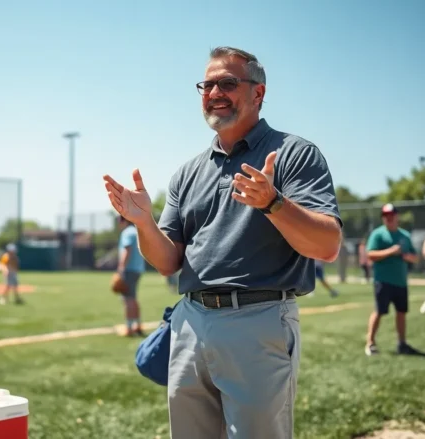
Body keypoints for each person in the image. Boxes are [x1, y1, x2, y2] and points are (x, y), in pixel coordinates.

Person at [103, 46, 342, 438]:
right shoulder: (188, 172)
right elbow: (167, 262)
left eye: (228, 83)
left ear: (258, 93)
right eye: (207, 85)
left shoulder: (294, 154)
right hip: (190, 320)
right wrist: (144, 222)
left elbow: (327, 245)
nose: (215, 92)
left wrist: (273, 202)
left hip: (258, 319)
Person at [364, 203, 419, 356]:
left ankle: (402, 343)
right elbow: (370, 255)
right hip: (383, 281)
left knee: (401, 312)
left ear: (397, 216)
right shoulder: (378, 234)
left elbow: (415, 257)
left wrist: (408, 257)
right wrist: (390, 251)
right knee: (379, 311)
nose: (389, 218)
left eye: (391, 215)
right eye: (386, 216)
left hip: (400, 281)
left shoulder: (405, 235)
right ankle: (370, 343)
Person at [116, 215, 146, 336]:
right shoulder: (136, 231)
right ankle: (137, 326)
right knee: (133, 298)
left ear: (123, 220)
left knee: (127, 299)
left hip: (129, 269)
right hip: (138, 269)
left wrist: (121, 268)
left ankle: (129, 328)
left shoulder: (127, 232)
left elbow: (127, 250)